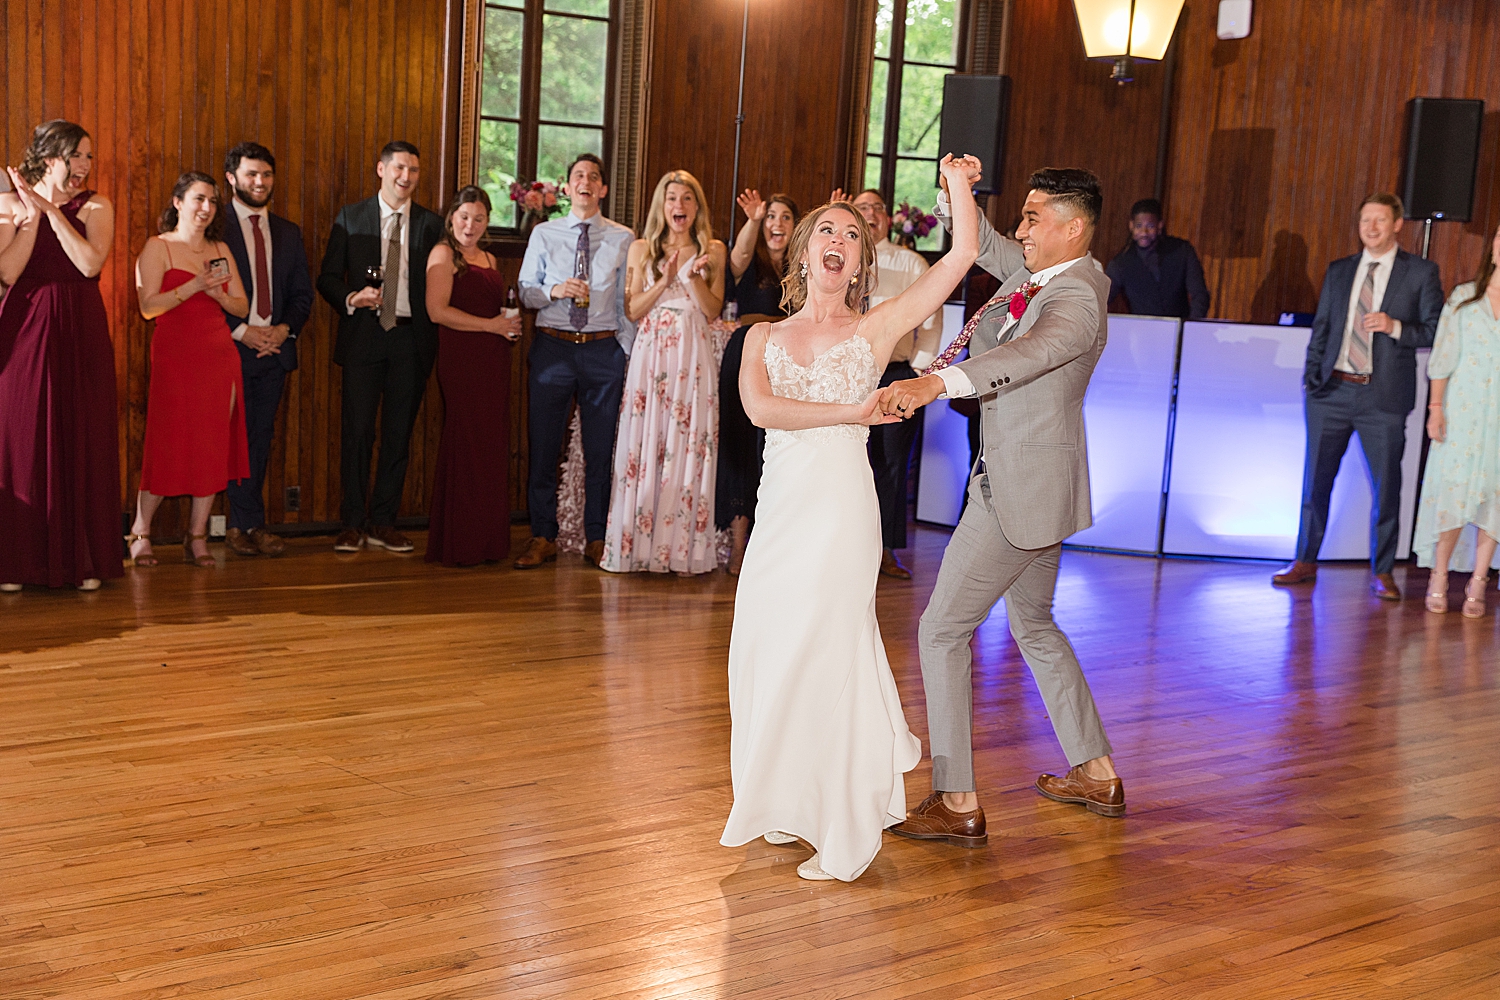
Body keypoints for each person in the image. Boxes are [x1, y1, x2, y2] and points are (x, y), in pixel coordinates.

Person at [719, 154, 980, 883]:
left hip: (840, 511)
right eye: (825, 230)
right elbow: (760, 410)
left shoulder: (878, 329)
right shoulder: (760, 337)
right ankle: (781, 800)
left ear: (861, 258)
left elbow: (961, 254)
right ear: (803, 252)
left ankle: (841, 826)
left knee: (830, 649)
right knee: (768, 649)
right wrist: (852, 410)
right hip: (781, 515)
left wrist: (957, 185)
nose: (839, 238)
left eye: (853, 234)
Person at [881, 165, 1125, 845]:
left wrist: (939, 383)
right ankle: (1096, 770)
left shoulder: (1077, 297)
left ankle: (955, 799)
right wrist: (953, 185)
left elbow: (1033, 352)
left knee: (941, 631)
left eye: (1033, 218)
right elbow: (980, 241)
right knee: (1035, 624)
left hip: (1016, 491)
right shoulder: (1040, 274)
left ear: (1073, 228)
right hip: (1037, 489)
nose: (1019, 231)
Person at [1272, 193, 1444, 600]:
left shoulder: (1420, 273)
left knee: (1386, 489)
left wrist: (1395, 326)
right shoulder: (1340, 270)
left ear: (1397, 224)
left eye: (1380, 220)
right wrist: (1311, 379)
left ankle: (1383, 570)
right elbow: (1324, 328)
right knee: (1315, 483)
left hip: (1382, 399)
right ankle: (1305, 560)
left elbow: (1437, 329)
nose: (1371, 227)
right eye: (1365, 219)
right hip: (1330, 392)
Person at [0, 120, 122, 592]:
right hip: (25, 326)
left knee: (82, 433)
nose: (84, 165)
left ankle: (83, 561)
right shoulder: (10, 203)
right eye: (76, 155)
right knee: (22, 438)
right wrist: (32, 212)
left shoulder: (96, 206)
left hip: (80, 326)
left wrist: (52, 210)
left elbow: (90, 264)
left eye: (89, 157)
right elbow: (9, 271)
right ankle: (16, 563)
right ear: (49, 156)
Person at [317, 141, 444, 555]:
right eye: (400, 169)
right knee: (357, 432)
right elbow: (328, 277)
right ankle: (352, 523)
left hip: (410, 338)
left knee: (398, 435)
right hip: (364, 337)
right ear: (381, 170)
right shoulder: (352, 217)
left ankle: (383, 521)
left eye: (414, 171)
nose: (406, 177)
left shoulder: (431, 224)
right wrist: (352, 299)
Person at [599, 170, 726, 575]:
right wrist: (665, 281)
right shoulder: (641, 249)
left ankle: (681, 552)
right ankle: (636, 548)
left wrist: (689, 279)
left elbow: (712, 311)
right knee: (646, 441)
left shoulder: (713, 249)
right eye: (672, 198)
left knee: (688, 444)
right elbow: (634, 311)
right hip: (652, 354)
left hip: (693, 356)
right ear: (662, 205)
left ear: (697, 207)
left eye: (688, 198)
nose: (679, 206)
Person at [514, 154, 635, 569]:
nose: (586, 182)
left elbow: (626, 302)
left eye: (594, 177)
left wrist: (625, 351)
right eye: (578, 176)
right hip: (554, 348)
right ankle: (542, 534)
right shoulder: (545, 234)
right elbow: (526, 290)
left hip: (603, 350)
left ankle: (597, 537)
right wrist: (554, 289)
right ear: (567, 188)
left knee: (601, 450)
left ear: (602, 189)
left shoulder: (624, 238)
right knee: (544, 443)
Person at [130, 171, 252, 568]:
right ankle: (142, 530)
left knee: (211, 445)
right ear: (178, 202)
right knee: (167, 442)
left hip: (219, 355)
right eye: (199, 199)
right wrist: (194, 286)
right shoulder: (157, 247)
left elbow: (242, 307)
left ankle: (197, 536)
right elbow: (148, 307)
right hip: (176, 356)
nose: (206, 208)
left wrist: (218, 292)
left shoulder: (219, 246)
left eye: (213, 201)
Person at [835, 187, 942, 579]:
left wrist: (919, 371)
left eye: (877, 209)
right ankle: (846, 547)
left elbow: (931, 321)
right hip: (849, 373)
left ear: (887, 218)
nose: (871, 215)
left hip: (898, 372)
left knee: (893, 463)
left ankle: (884, 551)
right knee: (849, 458)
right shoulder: (842, 259)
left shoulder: (911, 262)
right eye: (862, 209)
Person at [219, 141, 314, 558]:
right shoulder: (214, 228)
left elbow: (301, 295)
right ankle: (237, 526)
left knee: (259, 438)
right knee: (228, 439)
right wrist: (243, 332)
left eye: (267, 175)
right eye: (252, 174)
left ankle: (248, 525)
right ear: (232, 178)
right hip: (229, 349)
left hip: (274, 351)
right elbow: (207, 297)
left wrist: (283, 331)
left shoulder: (288, 232)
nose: (260, 182)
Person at [424, 186, 523, 566]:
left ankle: (486, 542)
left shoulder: (490, 258)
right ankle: (460, 543)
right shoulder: (443, 253)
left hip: (493, 358)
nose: (471, 224)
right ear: (452, 217)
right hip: (462, 359)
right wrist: (490, 326)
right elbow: (437, 311)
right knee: (466, 444)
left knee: (489, 448)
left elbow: (497, 312)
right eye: (465, 217)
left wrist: (506, 328)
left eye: (479, 218)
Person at [1413, 220, 1500, 618]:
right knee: (1452, 494)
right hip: (1461, 416)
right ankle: (1440, 575)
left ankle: (1479, 582)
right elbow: (1443, 359)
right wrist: (1435, 409)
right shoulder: (1465, 298)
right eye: (1499, 238)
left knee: (1493, 500)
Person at [718, 189, 798, 575]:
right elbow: (737, 258)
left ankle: (772, 545)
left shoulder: (802, 268)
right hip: (744, 354)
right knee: (739, 447)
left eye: (785, 217)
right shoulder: (749, 262)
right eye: (771, 217)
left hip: (787, 361)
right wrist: (751, 219)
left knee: (776, 450)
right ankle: (737, 545)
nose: (777, 224)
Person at [1104, 197, 1210, 319]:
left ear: (1160, 226)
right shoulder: (1120, 263)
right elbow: (1103, 300)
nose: (1144, 232)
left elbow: (1200, 295)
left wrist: (1189, 327)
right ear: (1131, 226)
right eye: (1139, 226)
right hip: (1142, 332)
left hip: (1179, 330)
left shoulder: (1182, 251)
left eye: (1150, 226)